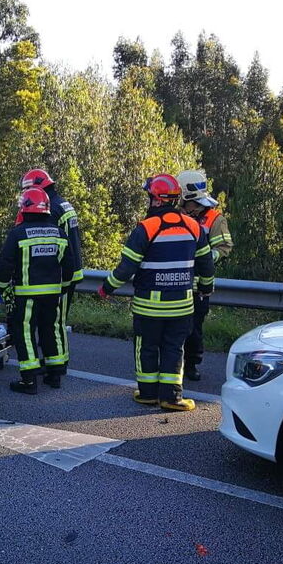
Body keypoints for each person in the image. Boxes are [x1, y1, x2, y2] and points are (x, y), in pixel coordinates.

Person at [97, 174, 215, 411]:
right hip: (182, 305)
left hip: (148, 306)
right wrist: (204, 289)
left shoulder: (145, 228)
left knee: (147, 347)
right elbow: (207, 265)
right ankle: (172, 397)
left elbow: (126, 268)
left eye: (150, 196)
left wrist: (106, 288)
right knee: (174, 348)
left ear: (157, 200)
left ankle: (148, 394)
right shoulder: (194, 226)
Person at [0, 188, 76, 394]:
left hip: (26, 295)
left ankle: (29, 381)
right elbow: (69, 267)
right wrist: (63, 288)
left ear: (25, 208)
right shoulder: (60, 233)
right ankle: (55, 375)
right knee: (52, 330)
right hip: (53, 295)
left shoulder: (18, 233)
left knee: (25, 334)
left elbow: (5, 264)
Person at [18, 169, 83, 377]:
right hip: (72, 269)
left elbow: (48, 242)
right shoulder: (63, 203)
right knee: (55, 320)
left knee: (55, 322)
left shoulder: (51, 208)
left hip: (60, 275)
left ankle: (58, 364)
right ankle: (54, 361)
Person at [176, 170, 232, 382]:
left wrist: (206, 257)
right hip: (175, 283)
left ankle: (191, 365)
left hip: (199, 287)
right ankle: (174, 365)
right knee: (174, 328)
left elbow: (225, 246)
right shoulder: (176, 215)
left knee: (194, 329)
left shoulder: (214, 219)